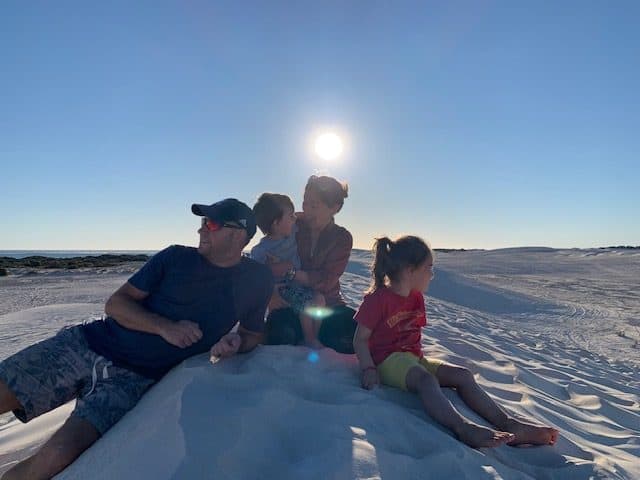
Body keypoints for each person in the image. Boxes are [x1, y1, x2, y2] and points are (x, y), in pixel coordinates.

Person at [0, 198, 273, 480]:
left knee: (55, 456)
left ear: (237, 234)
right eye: (202, 223)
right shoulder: (175, 257)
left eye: (211, 223)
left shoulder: (257, 279)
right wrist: (164, 327)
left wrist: (236, 343)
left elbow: (251, 334)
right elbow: (116, 304)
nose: (201, 230)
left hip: (131, 382)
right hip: (86, 344)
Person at [353, 235, 559, 448]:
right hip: (387, 361)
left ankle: (509, 424)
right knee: (426, 381)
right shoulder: (377, 299)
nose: (432, 274)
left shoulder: (416, 298)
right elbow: (360, 339)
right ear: (409, 270)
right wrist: (368, 368)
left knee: (463, 375)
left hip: (414, 359)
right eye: (428, 268)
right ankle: (464, 428)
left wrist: (416, 361)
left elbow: (411, 339)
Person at [264, 175, 356, 353]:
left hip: (328, 305)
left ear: (334, 208)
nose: (307, 210)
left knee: (352, 334)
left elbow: (327, 279)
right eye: (305, 203)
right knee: (282, 335)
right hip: (290, 303)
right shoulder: (293, 224)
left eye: (314, 205)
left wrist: (291, 272)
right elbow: (270, 244)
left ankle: (318, 336)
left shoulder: (342, 237)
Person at [251, 193, 325, 348]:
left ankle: (314, 335)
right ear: (277, 223)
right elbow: (256, 277)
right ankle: (309, 338)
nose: (293, 219)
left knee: (319, 299)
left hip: (298, 284)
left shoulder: (291, 232)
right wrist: (272, 289)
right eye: (289, 216)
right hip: (281, 288)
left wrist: (296, 214)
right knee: (305, 303)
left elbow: (302, 216)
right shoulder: (260, 250)